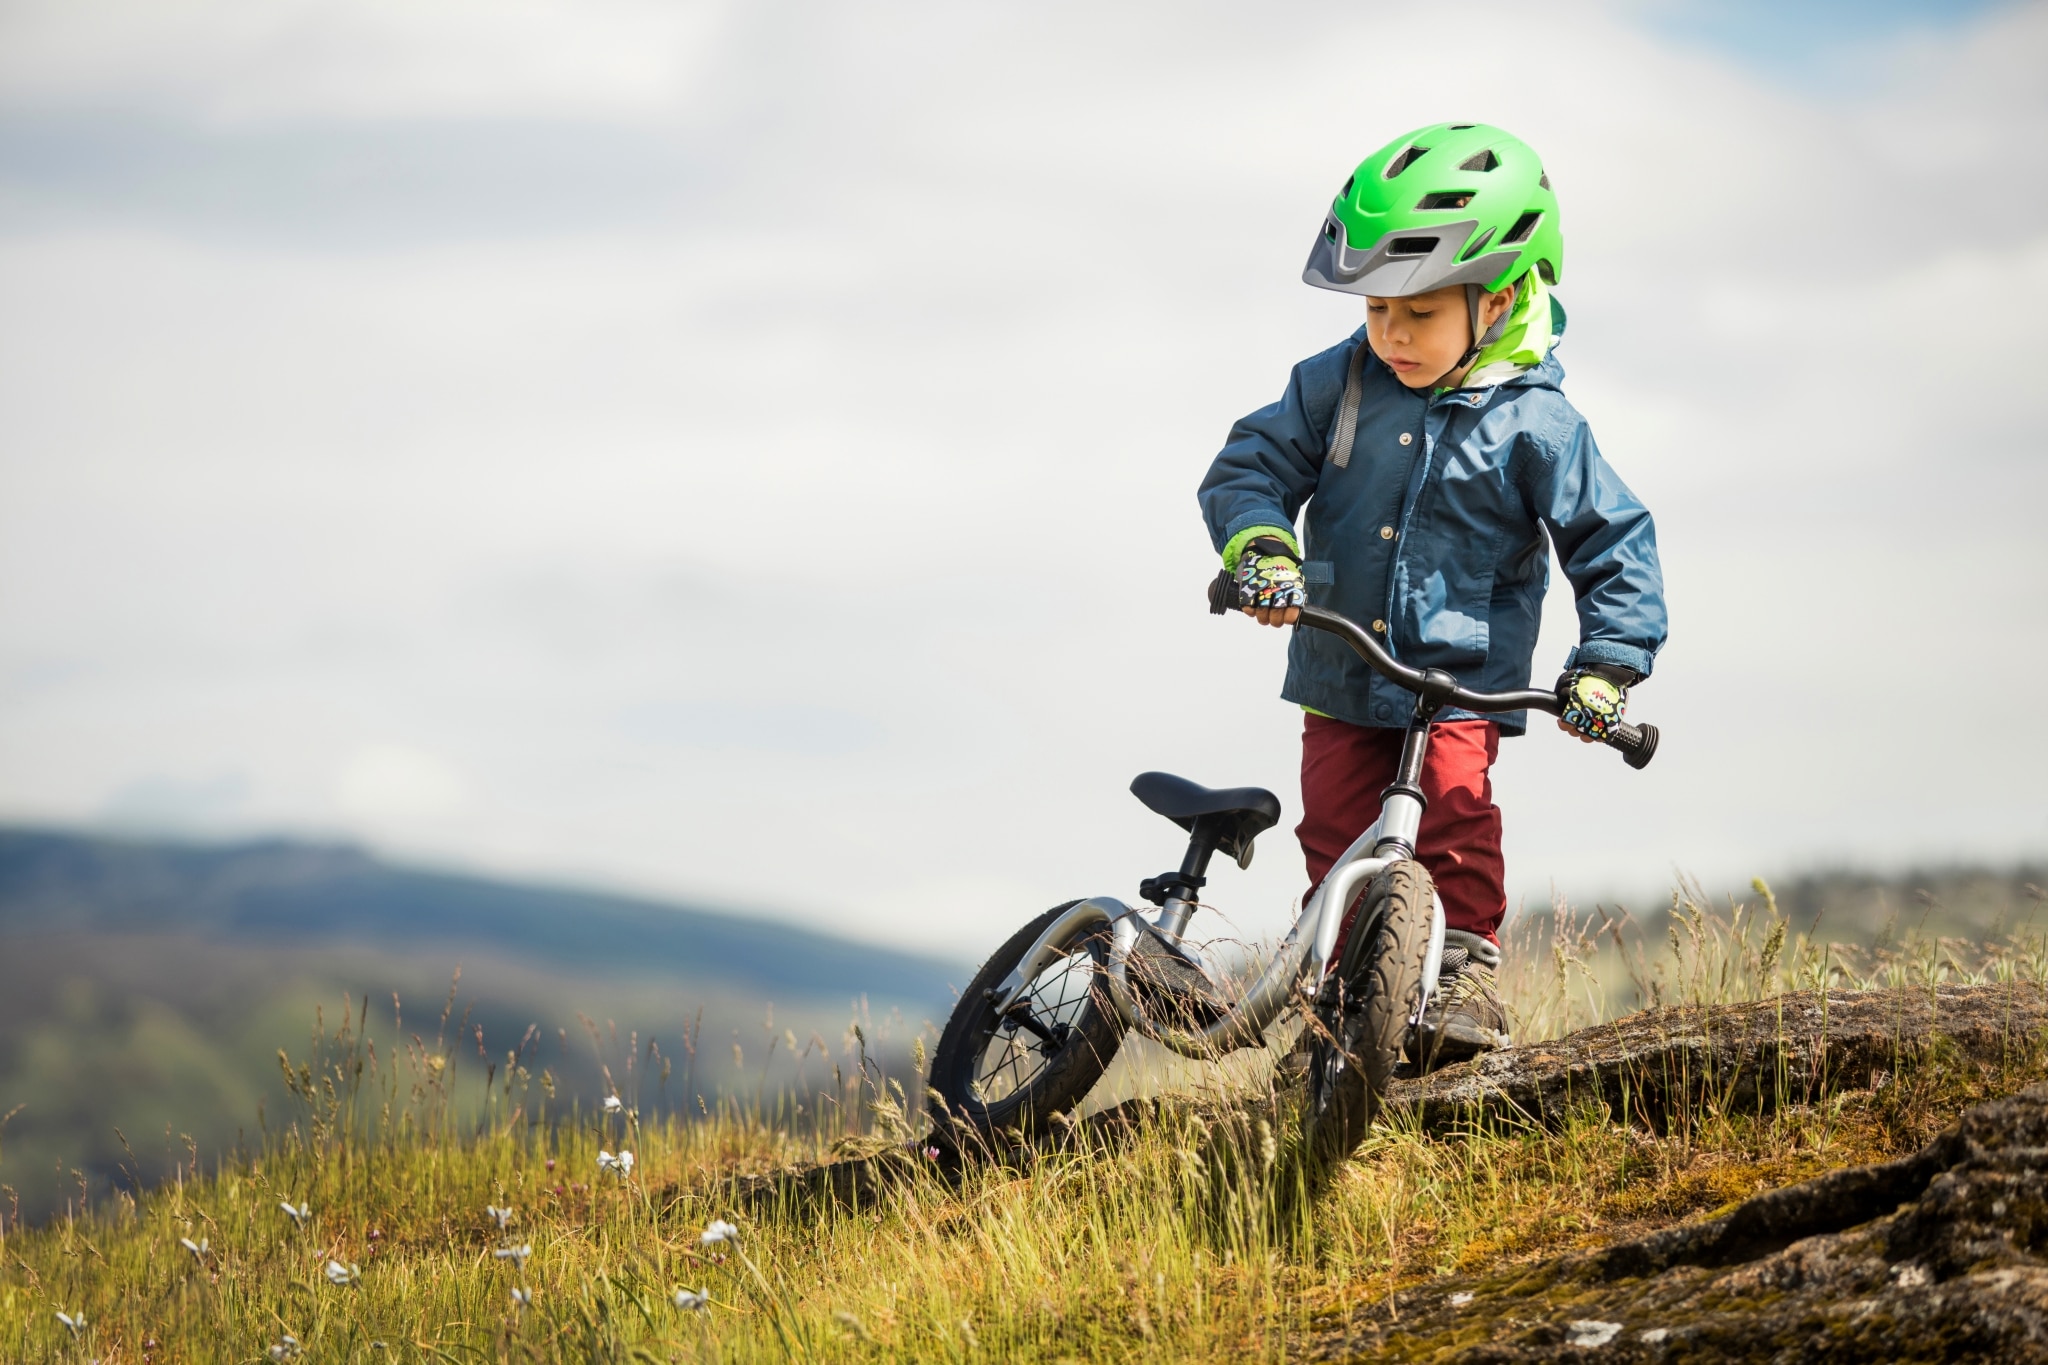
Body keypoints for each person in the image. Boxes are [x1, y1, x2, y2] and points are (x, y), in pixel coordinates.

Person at [1197, 122, 1667, 1062]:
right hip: (1339, 667)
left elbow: (1612, 541)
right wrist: (1261, 548)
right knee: (1334, 833)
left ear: (1493, 300)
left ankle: (1459, 982)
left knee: (1452, 812)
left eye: (1417, 313)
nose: (1391, 334)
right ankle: (1334, 1003)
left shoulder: (1538, 422)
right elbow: (1251, 463)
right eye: (1377, 309)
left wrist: (1607, 664)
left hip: (1457, 684)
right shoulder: (1344, 383)